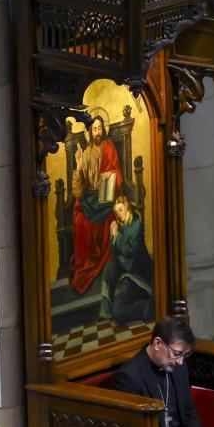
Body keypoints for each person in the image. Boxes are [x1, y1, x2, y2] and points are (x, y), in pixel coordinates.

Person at [69, 114, 123, 294]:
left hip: (105, 195)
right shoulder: (86, 153)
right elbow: (78, 191)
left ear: (103, 129)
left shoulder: (108, 147)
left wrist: (109, 179)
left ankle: (107, 263)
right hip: (89, 197)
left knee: (109, 217)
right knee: (79, 220)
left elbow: (115, 170)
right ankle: (86, 263)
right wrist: (78, 166)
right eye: (94, 129)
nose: (97, 132)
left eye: (100, 128)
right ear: (90, 132)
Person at [99, 195, 154, 324]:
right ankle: (106, 310)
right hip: (127, 273)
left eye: (121, 210)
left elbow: (129, 251)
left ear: (127, 208)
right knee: (109, 267)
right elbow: (114, 253)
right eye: (116, 212)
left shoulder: (137, 225)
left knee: (119, 313)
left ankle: (147, 306)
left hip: (138, 275)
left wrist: (117, 236)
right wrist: (113, 235)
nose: (118, 214)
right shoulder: (121, 227)